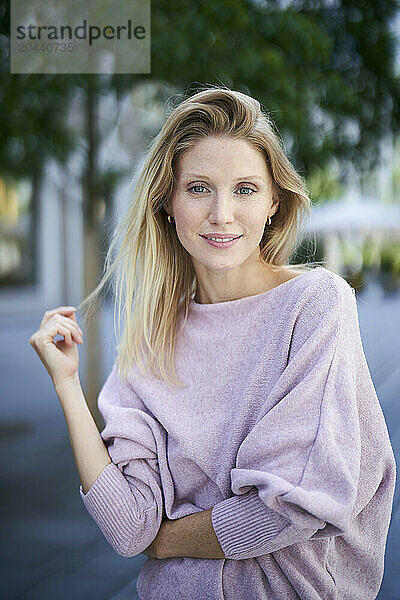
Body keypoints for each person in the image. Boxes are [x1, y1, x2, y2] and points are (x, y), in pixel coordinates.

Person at [29, 86, 396, 600]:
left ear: (274, 202)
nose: (222, 214)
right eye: (199, 187)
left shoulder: (316, 305)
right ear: (169, 204)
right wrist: (67, 386)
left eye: (245, 189)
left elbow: (289, 508)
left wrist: (168, 539)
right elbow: (127, 527)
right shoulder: (150, 338)